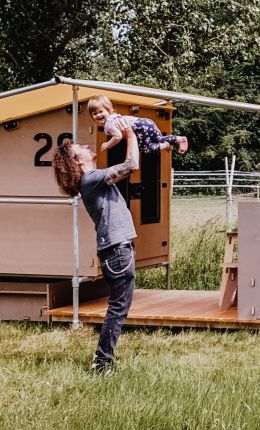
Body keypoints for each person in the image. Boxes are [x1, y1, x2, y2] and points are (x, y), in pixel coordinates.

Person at [52, 116, 139, 373]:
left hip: (116, 249)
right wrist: (130, 135)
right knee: (118, 307)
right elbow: (132, 164)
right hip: (116, 250)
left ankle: (103, 359)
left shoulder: (95, 180)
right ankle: (102, 361)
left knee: (119, 306)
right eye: (81, 149)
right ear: (76, 161)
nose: (88, 148)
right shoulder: (90, 180)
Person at [87, 95, 188, 155]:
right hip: (147, 122)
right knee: (159, 138)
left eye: (101, 111)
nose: (98, 115)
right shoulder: (115, 117)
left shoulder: (109, 123)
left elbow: (118, 136)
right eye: (95, 114)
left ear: (109, 110)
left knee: (145, 149)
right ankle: (179, 139)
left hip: (140, 127)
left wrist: (108, 144)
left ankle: (166, 145)